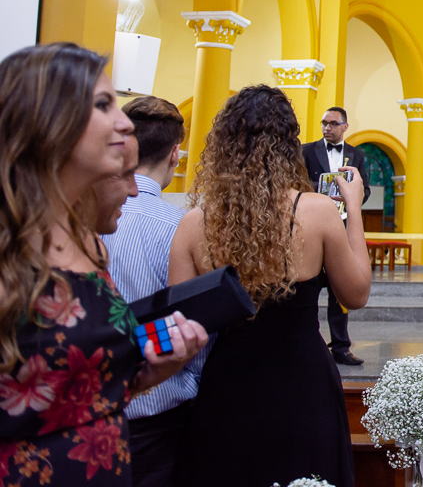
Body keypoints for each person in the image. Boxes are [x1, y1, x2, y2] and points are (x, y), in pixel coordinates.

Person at [0, 43, 207, 486]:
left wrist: (146, 374)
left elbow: (76, 391)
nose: (124, 122)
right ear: (46, 121)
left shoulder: (89, 242)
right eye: (102, 104)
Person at [173, 85, 372, 487]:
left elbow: (180, 325)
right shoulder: (316, 211)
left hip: (229, 385)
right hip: (303, 384)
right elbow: (356, 294)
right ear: (288, 145)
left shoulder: (195, 223)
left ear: (224, 145)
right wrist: (352, 206)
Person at [101, 96, 205, 487]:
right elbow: (195, 328)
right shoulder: (180, 226)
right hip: (158, 414)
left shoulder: (80, 219)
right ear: (176, 153)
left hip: (90, 408)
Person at [301, 106, 371, 367]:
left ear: (345, 126)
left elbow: (364, 189)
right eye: (324, 123)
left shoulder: (356, 154)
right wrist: (321, 194)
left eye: (332, 123)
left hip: (341, 228)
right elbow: (296, 185)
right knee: (307, 286)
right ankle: (308, 344)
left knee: (339, 289)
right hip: (310, 227)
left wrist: (351, 200)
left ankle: (341, 347)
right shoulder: (306, 151)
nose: (326, 127)